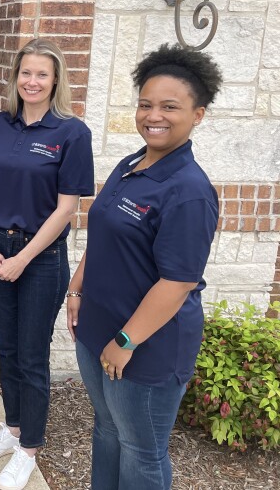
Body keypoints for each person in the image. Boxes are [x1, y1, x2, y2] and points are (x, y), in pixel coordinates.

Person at [68, 44, 222, 489]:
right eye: (146, 104)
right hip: (98, 329)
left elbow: (177, 282)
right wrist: (76, 290)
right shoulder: (132, 164)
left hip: (145, 347)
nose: (154, 115)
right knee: (107, 430)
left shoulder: (189, 191)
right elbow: (101, 234)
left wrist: (125, 340)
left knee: (142, 452)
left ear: (198, 114)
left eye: (170, 106)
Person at [0, 39, 94, 490]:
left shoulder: (71, 132)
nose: (32, 81)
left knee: (31, 357)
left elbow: (66, 208)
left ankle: (29, 450)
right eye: (26, 73)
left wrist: (23, 258)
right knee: (6, 350)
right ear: (15, 77)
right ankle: (13, 427)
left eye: (42, 74)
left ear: (56, 79)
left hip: (39, 258)